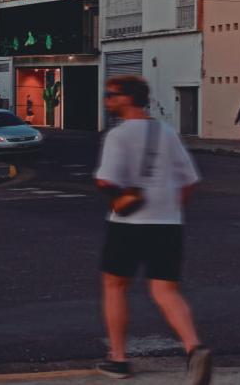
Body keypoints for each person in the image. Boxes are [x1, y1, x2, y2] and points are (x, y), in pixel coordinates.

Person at [95, 75, 212, 383]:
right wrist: (170, 208)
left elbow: (106, 180)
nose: (107, 100)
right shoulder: (167, 133)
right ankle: (194, 348)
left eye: (111, 95)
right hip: (168, 223)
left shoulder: (118, 136)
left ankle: (118, 359)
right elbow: (189, 182)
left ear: (127, 98)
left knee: (115, 286)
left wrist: (122, 195)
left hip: (128, 225)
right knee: (165, 290)